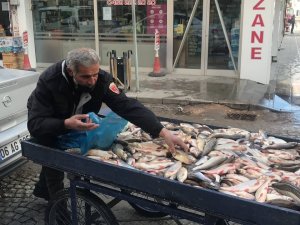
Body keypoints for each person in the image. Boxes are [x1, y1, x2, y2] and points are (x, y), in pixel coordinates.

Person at [27, 48, 189, 201]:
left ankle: (42, 189)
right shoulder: (49, 81)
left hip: (76, 117)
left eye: (95, 74)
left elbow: (127, 106)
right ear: (71, 71)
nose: (92, 81)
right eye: (85, 77)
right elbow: (35, 124)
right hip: (47, 119)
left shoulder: (102, 79)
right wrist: (65, 124)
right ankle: (58, 208)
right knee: (53, 161)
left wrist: (163, 132)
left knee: (61, 156)